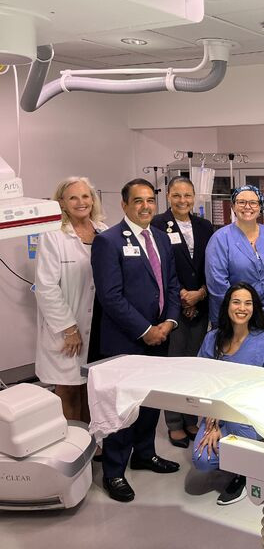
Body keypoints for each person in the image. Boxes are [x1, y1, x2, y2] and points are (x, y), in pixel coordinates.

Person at [91, 178, 181, 502]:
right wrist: (146, 330)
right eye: (138, 201)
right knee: (122, 407)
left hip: (161, 336)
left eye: (150, 201)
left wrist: (169, 322)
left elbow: (171, 284)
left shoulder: (159, 237)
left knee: (150, 403)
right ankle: (114, 471)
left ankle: (144, 454)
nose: (145, 206)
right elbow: (111, 297)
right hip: (126, 340)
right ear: (125, 205)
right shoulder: (108, 241)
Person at [192, 282, 264, 506]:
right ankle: (246, 457)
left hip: (250, 413)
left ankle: (244, 473)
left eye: (248, 303)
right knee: (202, 459)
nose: (242, 308)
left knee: (240, 438)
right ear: (227, 306)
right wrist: (211, 421)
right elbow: (203, 384)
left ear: (254, 308)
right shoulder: (212, 339)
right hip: (218, 412)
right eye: (236, 302)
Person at [35, 177, 107, 423]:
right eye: (73, 198)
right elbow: (46, 287)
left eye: (85, 196)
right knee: (68, 388)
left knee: (93, 387)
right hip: (68, 326)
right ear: (62, 204)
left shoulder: (104, 232)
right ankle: (73, 447)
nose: (81, 202)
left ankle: (92, 442)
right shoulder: (53, 236)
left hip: (100, 323)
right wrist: (69, 328)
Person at [151, 176, 214, 448]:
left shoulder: (205, 226)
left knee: (195, 366)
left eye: (187, 195)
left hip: (200, 304)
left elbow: (210, 264)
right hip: (172, 307)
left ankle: (191, 418)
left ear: (194, 197)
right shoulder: (157, 225)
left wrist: (200, 293)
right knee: (173, 366)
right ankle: (174, 422)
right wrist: (181, 298)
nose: (183, 201)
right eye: (177, 195)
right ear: (168, 196)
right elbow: (159, 267)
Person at [206, 185, 264, 327]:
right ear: (233, 206)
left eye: (253, 202)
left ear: (260, 206)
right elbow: (217, 283)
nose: (247, 207)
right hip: (232, 315)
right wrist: (243, 308)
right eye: (241, 202)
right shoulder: (220, 238)